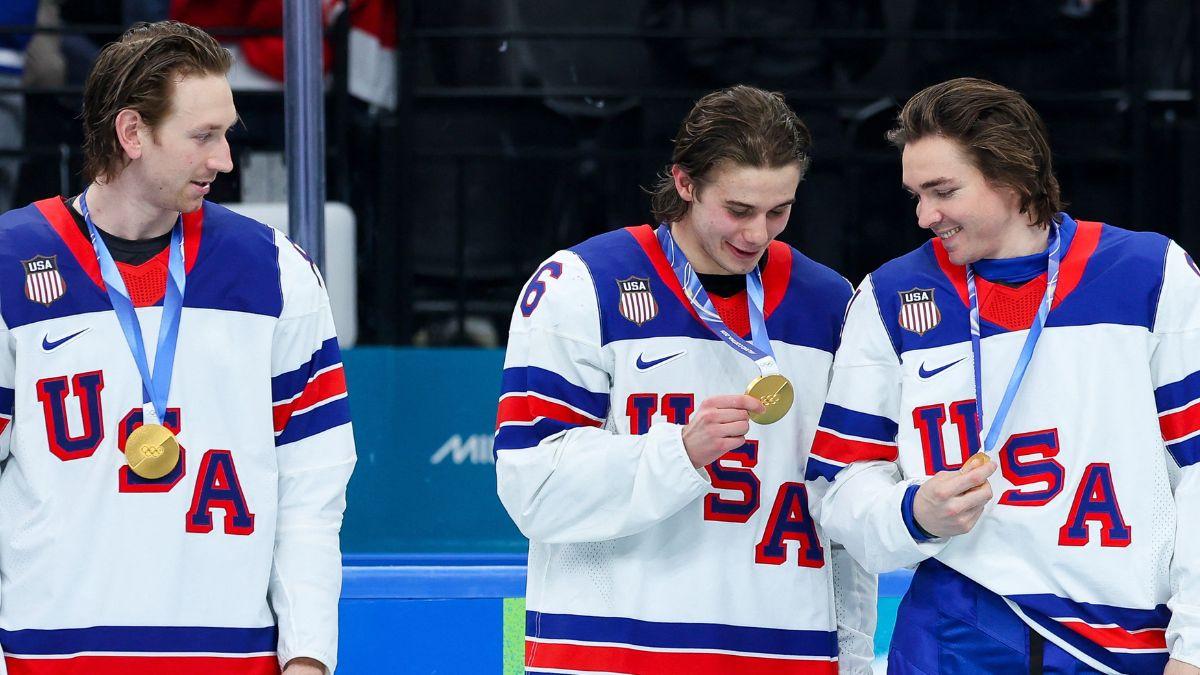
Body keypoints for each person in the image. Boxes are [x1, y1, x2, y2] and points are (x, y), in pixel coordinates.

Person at [806, 76, 1200, 674]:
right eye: (915, 194)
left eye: (943, 191)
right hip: (959, 623)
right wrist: (911, 513)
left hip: (1123, 639)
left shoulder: (1151, 274)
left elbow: (1196, 471)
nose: (924, 215)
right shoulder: (889, 296)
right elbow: (836, 484)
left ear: (1014, 176)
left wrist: (1194, 648)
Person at [0, 21, 355, 675]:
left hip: (230, 658)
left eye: (225, 132)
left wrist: (307, 656)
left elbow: (313, 489)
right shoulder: (9, 263)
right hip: (50, 658)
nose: (224, 159)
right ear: (132, 134)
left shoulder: (278, 272)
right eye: (203, 136)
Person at [495, 84, 876, 674]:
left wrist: (850, 657)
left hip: (787, 651)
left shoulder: (830, 304)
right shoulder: (581, 285)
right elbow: (532, 489)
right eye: (739, 210)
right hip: (614, 653)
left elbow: (844, 509)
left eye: (780, 210)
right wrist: (678, 451)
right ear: (684, 182)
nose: (758, 235)